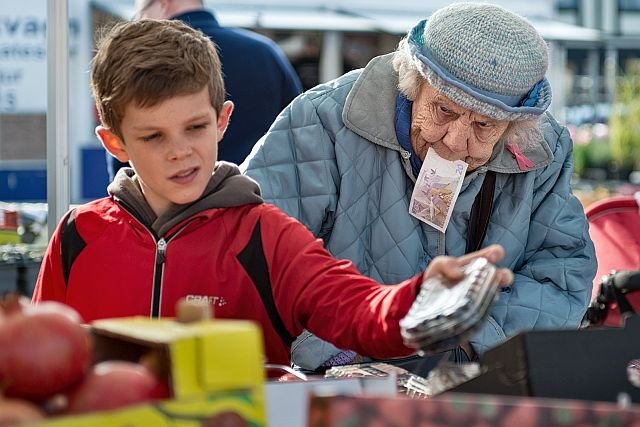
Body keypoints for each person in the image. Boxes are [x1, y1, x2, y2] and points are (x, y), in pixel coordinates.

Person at [31, 20, 512, 368]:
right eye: (153, 137)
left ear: (223, 120)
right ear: (115, 143)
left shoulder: (267, 234)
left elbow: (355, 310)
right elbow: (40, 351)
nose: (181, 152)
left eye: (195, 127)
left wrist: (422, 297)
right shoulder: (78, 234)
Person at [242, 2, 597, 372]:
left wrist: (472, 341)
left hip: (475, 377)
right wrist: (340, 351)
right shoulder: (320, 122)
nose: (456, 142)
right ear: (412, 84)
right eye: (444, 111)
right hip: (338, 374)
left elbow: (561, 272)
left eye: (484, 126)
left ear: (513, 127)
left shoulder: (543, 150)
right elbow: (260, 260)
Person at [106, 0, 303, 180]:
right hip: (261, 197)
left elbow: (121, 161)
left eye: (139, 16)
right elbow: (301, 135)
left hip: (165, 209)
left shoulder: (139, 63)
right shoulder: (266, 53)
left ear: (163, 4)